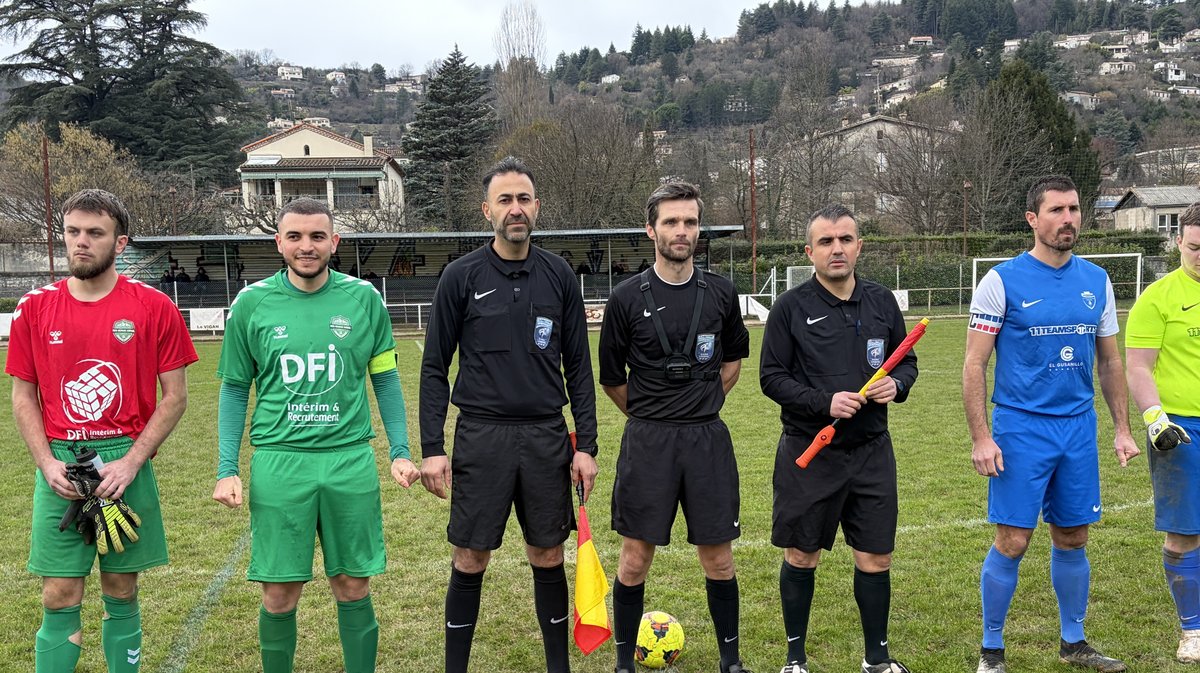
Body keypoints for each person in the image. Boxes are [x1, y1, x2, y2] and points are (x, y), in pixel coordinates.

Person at [213, 197, 419, 673]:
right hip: (280, 463)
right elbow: (233, 390)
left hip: (349, 461)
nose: (307, 247)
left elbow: (384, 378)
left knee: (353, 584)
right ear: (278, 242)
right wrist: (227, 469)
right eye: (296, 236)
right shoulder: (252, 303)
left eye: (317, 236)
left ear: (335, 242)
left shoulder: (364, 299)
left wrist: (401, 451)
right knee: (280, 591)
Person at [419, 156, 598, 673]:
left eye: (523, 199)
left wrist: (585, 446)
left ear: (536, 207)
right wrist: (434, 448)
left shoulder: (559, 274)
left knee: (548, 554)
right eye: (505, 200)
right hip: (481, 436)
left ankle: (558, 667)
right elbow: (435, 367)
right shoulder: (461, 276)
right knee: (471, 556)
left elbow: (580, 368)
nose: (515, 209)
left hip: (545, 435)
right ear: (486, 210)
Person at [7, 189, 198, 672]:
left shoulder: (153, 307)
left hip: (123, 464)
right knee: (58, 593)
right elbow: (23, 396)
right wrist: (46, 462)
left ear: (121, 242)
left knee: (121, 588)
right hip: (61, 462)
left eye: (95, 233)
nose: (81, 243)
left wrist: (132, 461)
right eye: (73, 232)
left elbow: (175, 396)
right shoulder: (35, 309)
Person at [963, 175, 1139, 673]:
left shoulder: (1096, 281)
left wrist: (1122, 428)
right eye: (1057, 210)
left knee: (1073, 536)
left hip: (1078, 428)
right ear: (1032, 219)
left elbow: (1109, 363)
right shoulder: (1001, 280)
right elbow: (975, 364)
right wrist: (982, 437)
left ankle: (1074, 643)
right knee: (1012, 540)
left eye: (1075, 209)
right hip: (1021, 429)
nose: (1068, 220)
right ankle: (991, 652)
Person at [598, 182, 752, 673]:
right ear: (651, 230)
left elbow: (732, 364)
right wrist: (651, 414)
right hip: (648, 441)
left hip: (707, 440)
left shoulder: (722, 293)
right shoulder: (624, 298)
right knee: (635, 556)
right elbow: (611, 379)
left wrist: (699, 404)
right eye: (671, 222)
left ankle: (730, 661)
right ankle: (624, 662)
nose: (680, 231)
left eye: (689, 222)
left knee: (719, 559)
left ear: (698, 230)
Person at [759, 204, 918, 673]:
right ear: (810, 252)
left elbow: (904, 361)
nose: (837, 249)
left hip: (871, 453)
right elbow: (771, 378)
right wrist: (823, 402)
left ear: (859, 246)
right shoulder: (790, 308)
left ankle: (877, 660)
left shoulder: (882, 302)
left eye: (845, 239)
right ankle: (795, 660)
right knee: (802, 554)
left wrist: (899, 384)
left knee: (876, 556)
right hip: (810, 453)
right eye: (826, 242)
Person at [1125, 202, 1200, 663]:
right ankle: (1193, 629)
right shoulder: (1157, 298)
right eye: (1195, 247)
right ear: (1179, 243)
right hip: (1181, 429)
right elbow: (1137, 366)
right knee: (1185, 533)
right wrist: (1155, 418)